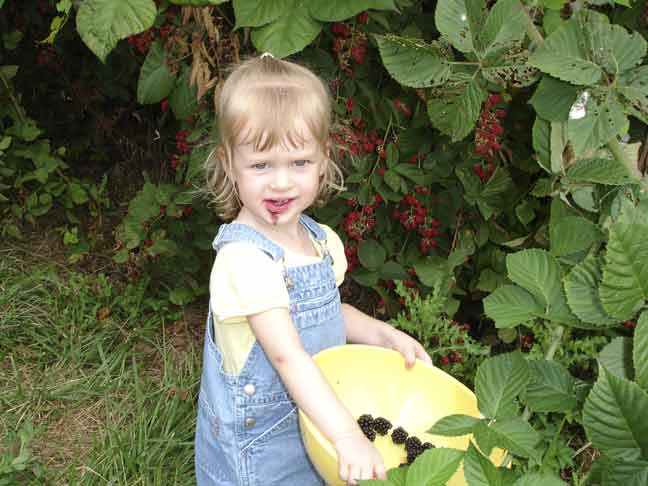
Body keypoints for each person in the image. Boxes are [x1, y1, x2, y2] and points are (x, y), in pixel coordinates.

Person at [195, 53, 432, 486]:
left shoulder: (319, 239)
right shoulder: (244, 260)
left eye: (299, 163)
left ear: (323, 159)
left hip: (317, 412)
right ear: (229, 163)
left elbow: (326, 310)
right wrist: (344, 433)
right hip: (264, 444)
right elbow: (287, 354)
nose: (281, 183)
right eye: (261, 165)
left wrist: (383, 335)